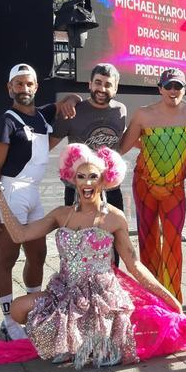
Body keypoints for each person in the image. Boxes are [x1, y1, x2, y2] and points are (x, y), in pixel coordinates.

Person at [0, 143, 186, 368]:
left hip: (101, 298)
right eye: (81, 176)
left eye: (93, 176)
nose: (87, 182)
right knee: (18, 309)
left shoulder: (114, 218)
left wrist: (169, 298)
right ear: (73, 179)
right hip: (65, 291)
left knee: (102, 344)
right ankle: (71, 341)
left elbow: (134, 265)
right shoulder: (61, 214)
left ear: (104, 180)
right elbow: (20, 235)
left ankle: (84, 341)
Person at [0, 64, 59, 341]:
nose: (24, 89)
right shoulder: (6, 121)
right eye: (19, 84)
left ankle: (33, 311)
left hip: (33, 193)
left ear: (36, 87)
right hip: (10, 193)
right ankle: (9, 320)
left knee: (37, 254)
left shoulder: (41, 118)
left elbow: (60, 109)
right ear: (10, 88)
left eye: (29, 84)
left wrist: (72, 99)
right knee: (7, 257)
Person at [119, 69, 186, 303]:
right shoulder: (144, 114)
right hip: (144, 185)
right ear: (160, 88)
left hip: (175, 188)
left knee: (174, 243)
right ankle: (149, 297)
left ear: (184, 89)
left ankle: (173, 300)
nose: (173, 91)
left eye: (178, 86)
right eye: (168, 86)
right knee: (148, 240)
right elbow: (123, 146)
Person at [53, 63, 127, 266]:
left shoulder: (120, 111)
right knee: (75, 243)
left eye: (108, 85)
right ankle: (74, 288)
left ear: (116, 88)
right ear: (89, 84)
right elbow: (48, 143)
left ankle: (111, 284)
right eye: (98, 83)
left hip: (110, 189)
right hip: (78, 189)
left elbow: (124, 142)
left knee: (114, 242)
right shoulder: (73, 110)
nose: (102, 89)